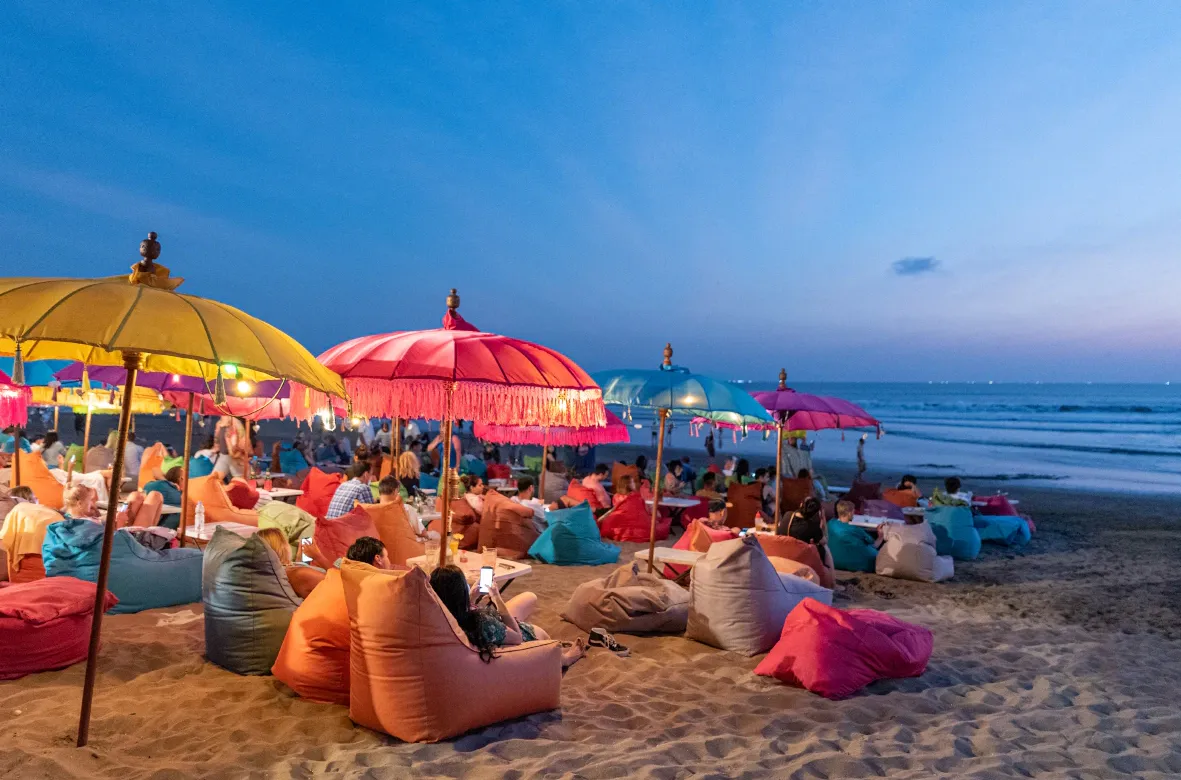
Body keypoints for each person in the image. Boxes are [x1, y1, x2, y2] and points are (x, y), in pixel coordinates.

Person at [430, 564, 584, 667]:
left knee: (529, 597)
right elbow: (517, 637)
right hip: (520, 635)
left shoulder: (442, 616)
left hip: (495, 624)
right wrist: (496, 597)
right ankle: (566, 659)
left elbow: (458, 613)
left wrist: (471, 596)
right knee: (546, 640)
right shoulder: (482, 622)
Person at [778, 496, 829, 564]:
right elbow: (825, 541)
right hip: (799, 559)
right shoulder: (812, 526)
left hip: (784, 553)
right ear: (816, 513)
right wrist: (823, 519)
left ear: (801, 505)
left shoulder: (787, 515)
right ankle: (827, 573)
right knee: (824, 548)